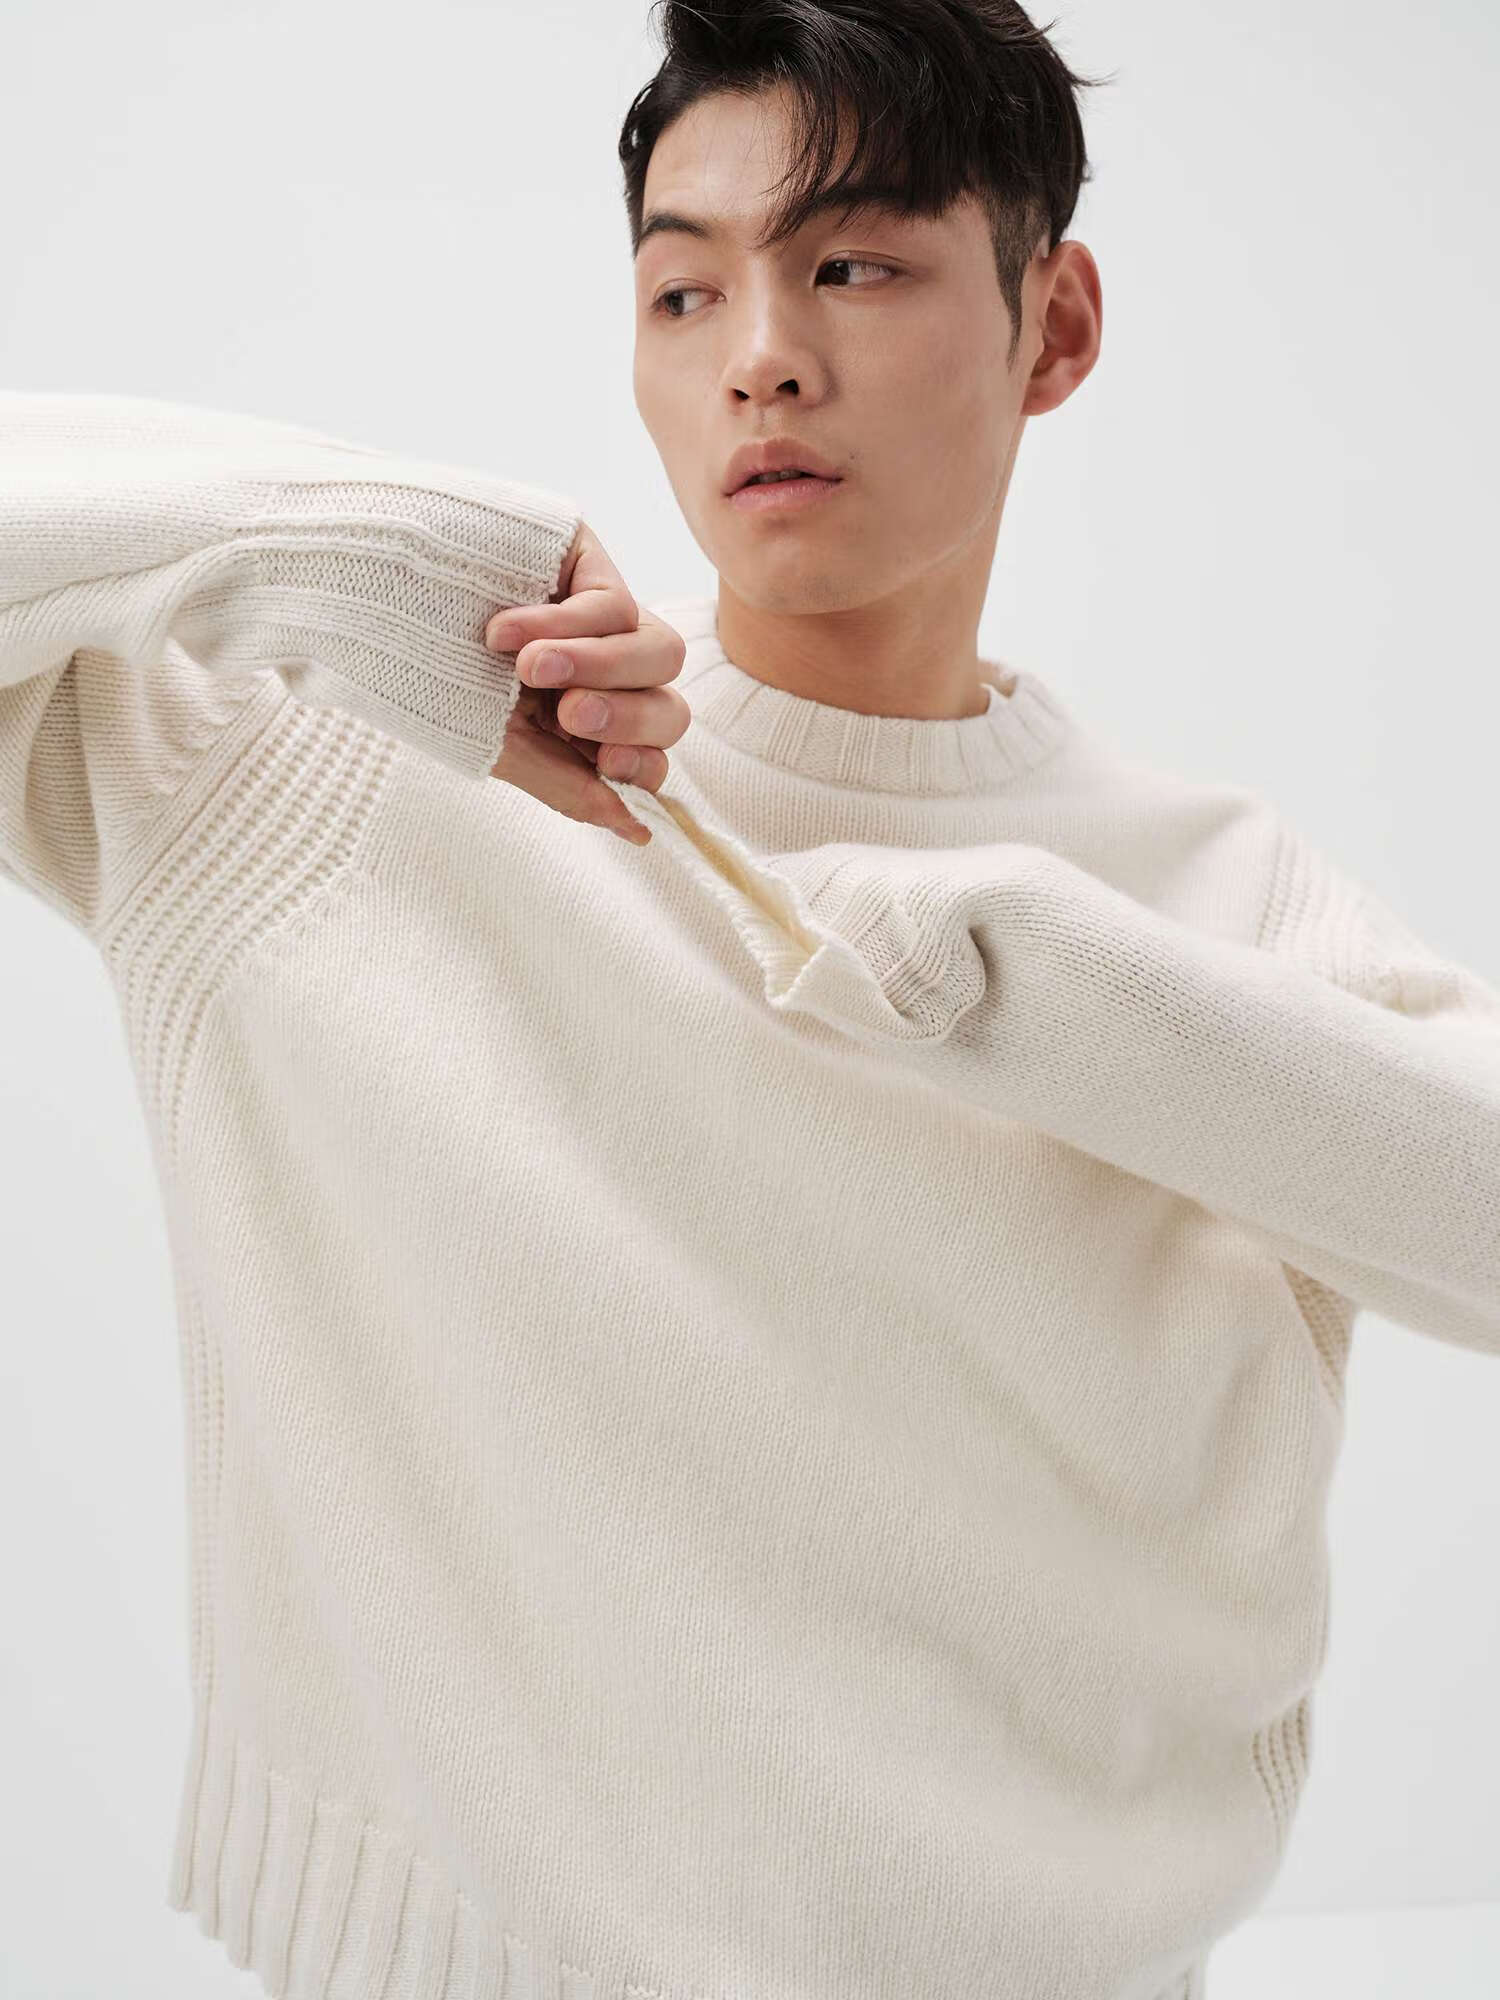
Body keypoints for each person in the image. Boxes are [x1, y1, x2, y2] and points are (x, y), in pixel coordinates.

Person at [3, 4, 1497, 1998]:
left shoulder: (1206, 895)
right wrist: (360, 565)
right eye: (685, 288)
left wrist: (1037, 986)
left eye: (853, 265)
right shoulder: (329, 770)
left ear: (1053, 326)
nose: (762, 352)